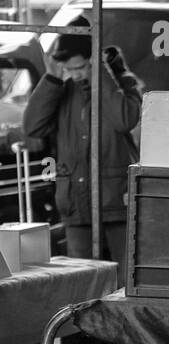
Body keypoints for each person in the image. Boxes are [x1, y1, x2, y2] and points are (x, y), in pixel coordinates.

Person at [21, 25, 142, 278]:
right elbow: (33, 127)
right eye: (69, 70)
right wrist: (52, 79)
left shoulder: (123, 82)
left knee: (125, 277)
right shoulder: (61, 89)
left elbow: (123, 119)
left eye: (81, 68)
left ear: (94, 61)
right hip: (75, 199)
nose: (74, 75)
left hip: (115, 197)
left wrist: (100, 76)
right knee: (81, 281)